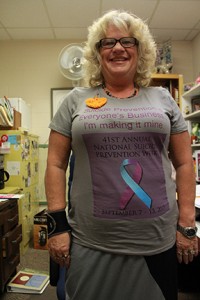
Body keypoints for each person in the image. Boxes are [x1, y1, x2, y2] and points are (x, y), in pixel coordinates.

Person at [45, 10, 198, 300]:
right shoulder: (75, 100)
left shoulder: (163, 98)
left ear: (140, 51)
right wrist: (56, 225)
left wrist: (187, 223)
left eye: (128, 41)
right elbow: (55, 164)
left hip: (155, 241)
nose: (117, 48)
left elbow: (183, 162)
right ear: (97, 53)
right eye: (107, 42)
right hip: (91, 241)